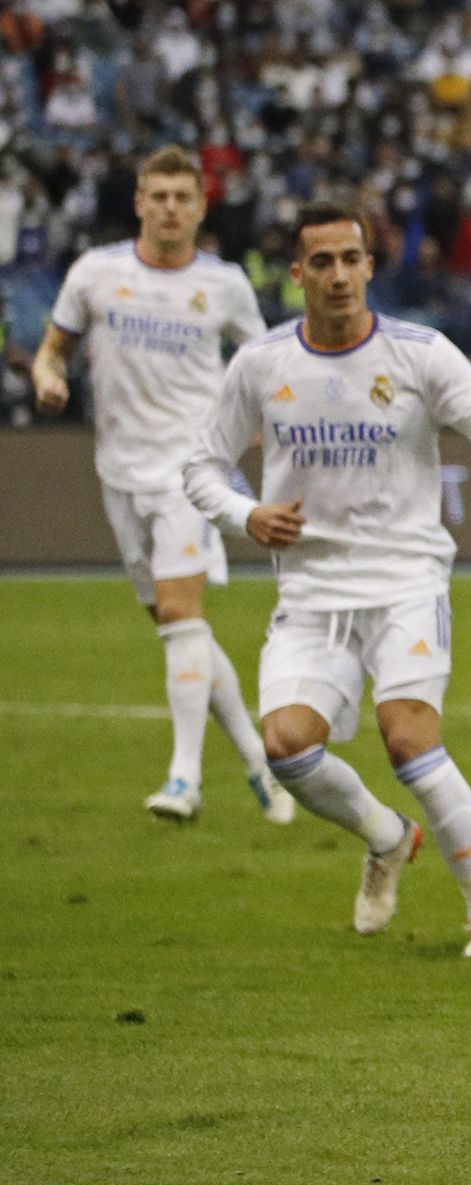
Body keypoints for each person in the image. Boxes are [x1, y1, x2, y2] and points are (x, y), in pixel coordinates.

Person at [182, 202, 471, 958]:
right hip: (311, 592)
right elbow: (199, 467)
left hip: (407, 579)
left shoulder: (421, 354)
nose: (339, 275)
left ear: (370, 266)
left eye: (351, 258)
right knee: (286, 747)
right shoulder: (262, 363)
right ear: (297, 275)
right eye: (322, 262)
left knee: (409, 739)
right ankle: (385, 836)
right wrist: (245, 515)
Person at [30, 144, 292, 825]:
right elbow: (52, 346)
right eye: (160, 196)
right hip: (119, 471)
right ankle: (261, 764)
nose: (171, 208)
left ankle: (184, 780)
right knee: (183, 631)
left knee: (180, 615)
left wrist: (262, 420)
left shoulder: (225, 283)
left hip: (191, 471)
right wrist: (48, 376)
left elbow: (262, 362)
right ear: (140, 203)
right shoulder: (96, 273)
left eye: (184, 197)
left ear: (200, 207)